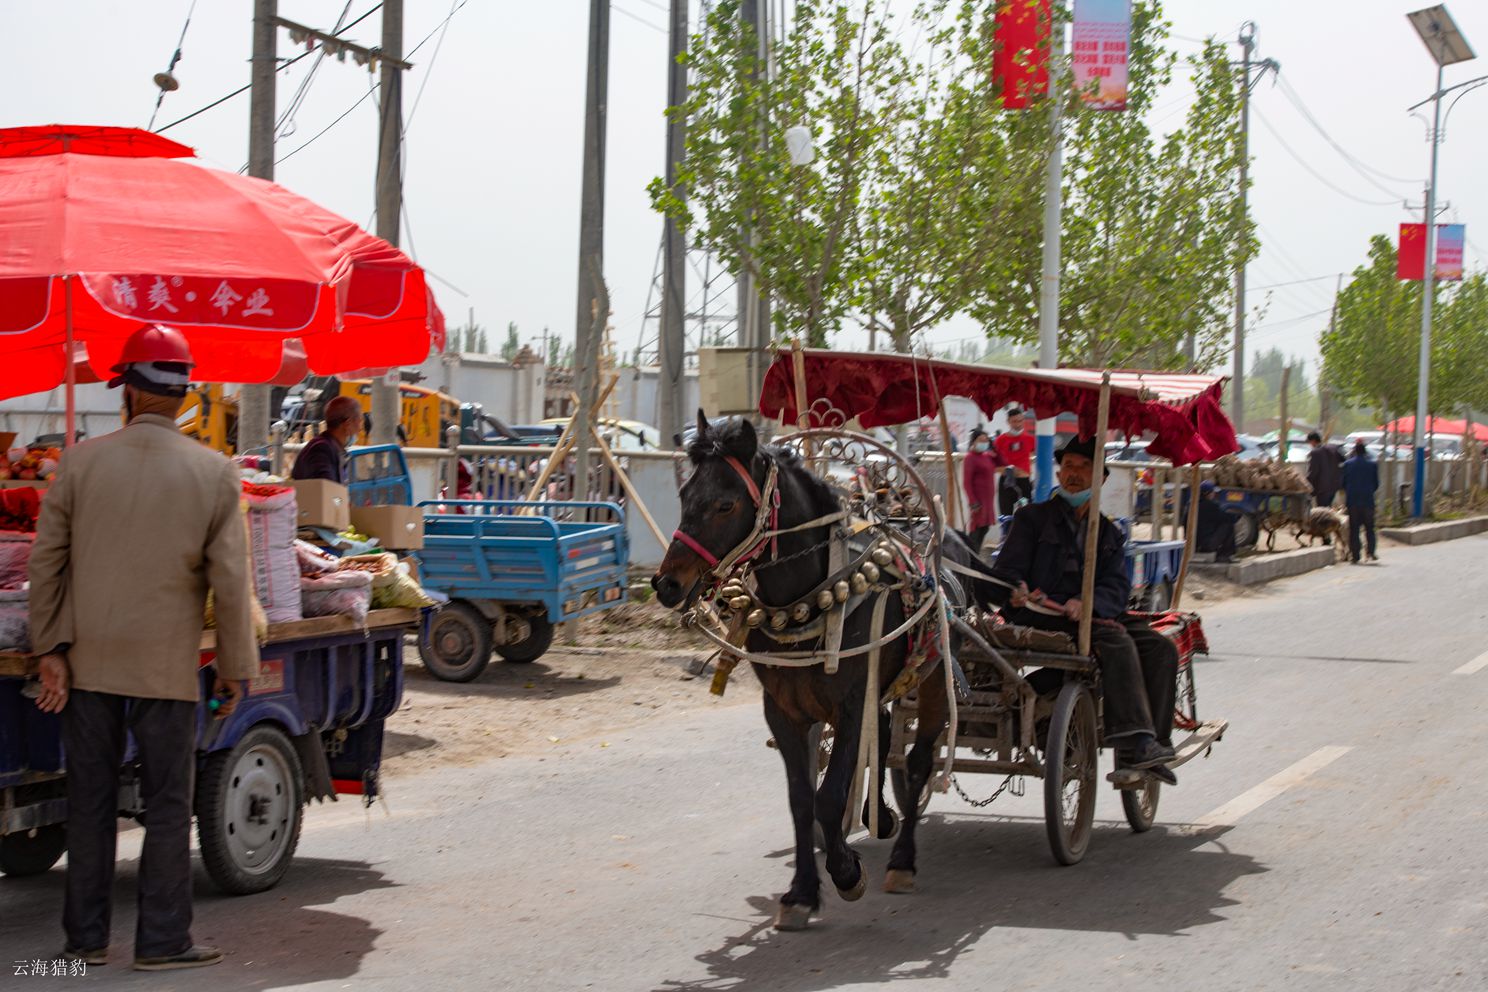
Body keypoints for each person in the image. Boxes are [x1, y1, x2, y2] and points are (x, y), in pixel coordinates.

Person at [29, 325, 259, 971]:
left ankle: (85, 941)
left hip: (88, 662)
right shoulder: (215, 473)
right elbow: (232, 583)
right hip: (166, 668)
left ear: (127, 391)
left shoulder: (79, 461)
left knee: (90, 802)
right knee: (165, 806)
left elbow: (48, 564)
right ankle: (162, 943)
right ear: (181, 395)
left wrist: (50, 646)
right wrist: (238, 668)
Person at [989, 435, 1179, 782]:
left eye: (1082, 468)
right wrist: (1014, 589)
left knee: (1162, 648)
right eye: (1068, 467)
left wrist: (1088, 604)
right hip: (1041, 616)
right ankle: (1133, 742)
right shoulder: (1032, 518)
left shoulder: (1107, 532)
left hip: (1090, 615)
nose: (1073, 474)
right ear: (1060, 475)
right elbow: (1007, 570)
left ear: (1100, 478)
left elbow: (1117, 587)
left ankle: (1155, 744)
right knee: (1116, 643)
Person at [291, 394, 363, 483]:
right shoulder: (321, 449)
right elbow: (327, 489)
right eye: (359, 421)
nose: (360, 429)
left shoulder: (331, 447)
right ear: (347, 424)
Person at [962, 428, 1004, 553]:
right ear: (973, 442)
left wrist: (994, 447)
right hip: (978, 500)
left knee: (984, 528)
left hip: (988, 500)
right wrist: (972, 501)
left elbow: (1002, 462)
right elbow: (966, 482)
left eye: (986, 440)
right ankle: (969, 555)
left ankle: (975, 554)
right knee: (976, 530)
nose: (984, 443)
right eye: (981, 440)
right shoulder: (970, 458)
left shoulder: (987, 456)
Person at [1342, 440, 1380, 563]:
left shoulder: (1347, 464)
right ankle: (1370, 552)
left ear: (1354, 451)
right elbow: (1376, 484)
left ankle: (1355, 555)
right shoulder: (1372, 465)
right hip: (1368, 501)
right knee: (1370, 528)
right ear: (1365, 452)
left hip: (1352, 501)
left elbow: (1343, 483)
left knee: (1354, 529)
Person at [994, 407, 1035, 514]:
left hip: (1024, 483)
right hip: (1006, 482)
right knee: (1006, 515)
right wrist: (1008, 470)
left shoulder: (1030, 439)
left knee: (1026, 515)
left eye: (1020, 421)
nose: (1018, 424)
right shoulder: (1000, 440)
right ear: (1008, 422)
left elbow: (1034, 456)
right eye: (1014, 421)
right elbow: (993, 465)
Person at [1195, 480, 1237, 563]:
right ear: (1207, 493)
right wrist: (1237, 516)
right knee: (1228, 525)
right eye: (1213, 492)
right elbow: (1226, 518)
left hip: (1193, 544)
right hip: (1206, 544)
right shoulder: (1210, 506)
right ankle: (1224, 554)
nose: (1214, 494)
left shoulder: (1191, 504)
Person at [1305, 430, 1344, 509]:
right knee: (1328, 509)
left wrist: (1306, 484)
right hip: (1334, 486)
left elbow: (1313, 472)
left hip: (1322, 489)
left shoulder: (1315, 452)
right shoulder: (1333, 448)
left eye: (1310, 442)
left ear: (1313, 441)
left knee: (1322, 512)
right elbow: (1343, 460)